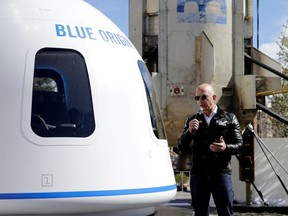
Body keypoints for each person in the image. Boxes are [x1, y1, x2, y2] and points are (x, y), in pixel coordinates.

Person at [177, 83, 243, 216]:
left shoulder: (229, 118)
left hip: (221, 173)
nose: (200, 101)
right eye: (197, 98)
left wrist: (226, 147)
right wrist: (189, 131)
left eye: (204, 97)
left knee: (225, 212)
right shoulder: (193, 120)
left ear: (214, 97)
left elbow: (239, 145)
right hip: (198, 174)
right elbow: (181, 146)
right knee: (200, 213)